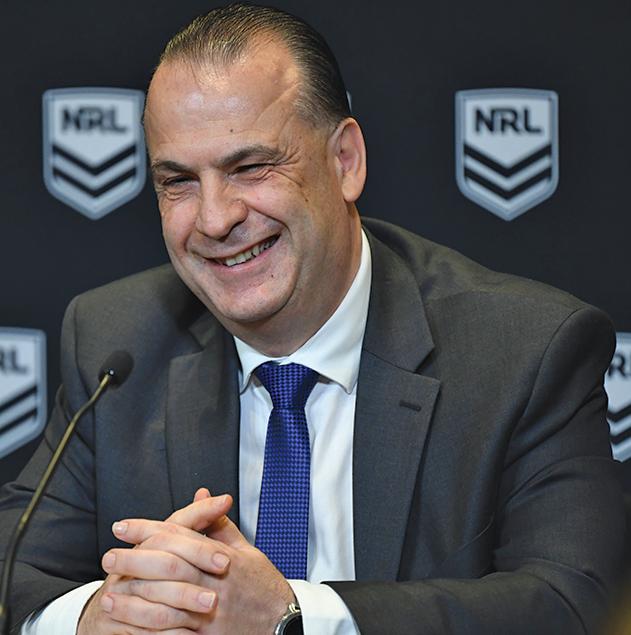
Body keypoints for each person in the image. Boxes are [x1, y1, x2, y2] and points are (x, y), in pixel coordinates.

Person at [0, 4, 624, 634]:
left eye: (250, 167)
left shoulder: (525, 350)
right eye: (178, 181)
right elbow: (12, 569)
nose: (214, 219)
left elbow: (573, 603)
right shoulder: (116, 342)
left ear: (345, 161)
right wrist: (97, 618)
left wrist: (294, 618)